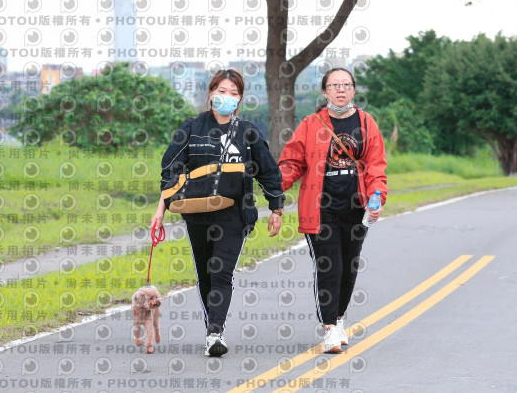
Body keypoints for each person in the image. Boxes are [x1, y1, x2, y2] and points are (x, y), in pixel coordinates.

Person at [151, 69, 285, 357]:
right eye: (222, 91)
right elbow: (170, 171)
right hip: (198, 213)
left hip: (235, 214)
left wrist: (276, 207)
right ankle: (212, 326)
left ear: (240, 99)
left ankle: (215, 333)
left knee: (221, 271)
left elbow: (268, 172)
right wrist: (160, 210)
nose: (227, 97)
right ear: (211, 93)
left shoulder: (248, 131)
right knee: (205, 273)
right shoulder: (192, 127)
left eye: (234, 93)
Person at [278, 67, 388, 354]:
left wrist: (377, 197)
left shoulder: (366, 123)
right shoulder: (311, 124)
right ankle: (328, 328)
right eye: (334, 85)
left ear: (353, 90)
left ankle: (338, 319)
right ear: (324, 92)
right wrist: (276, 185)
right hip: (320, 209)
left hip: (356, 209)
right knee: (330, 267)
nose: (341, 89)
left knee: (349, 268)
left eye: (346, 85)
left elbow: (375, 166)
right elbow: (292, 162)